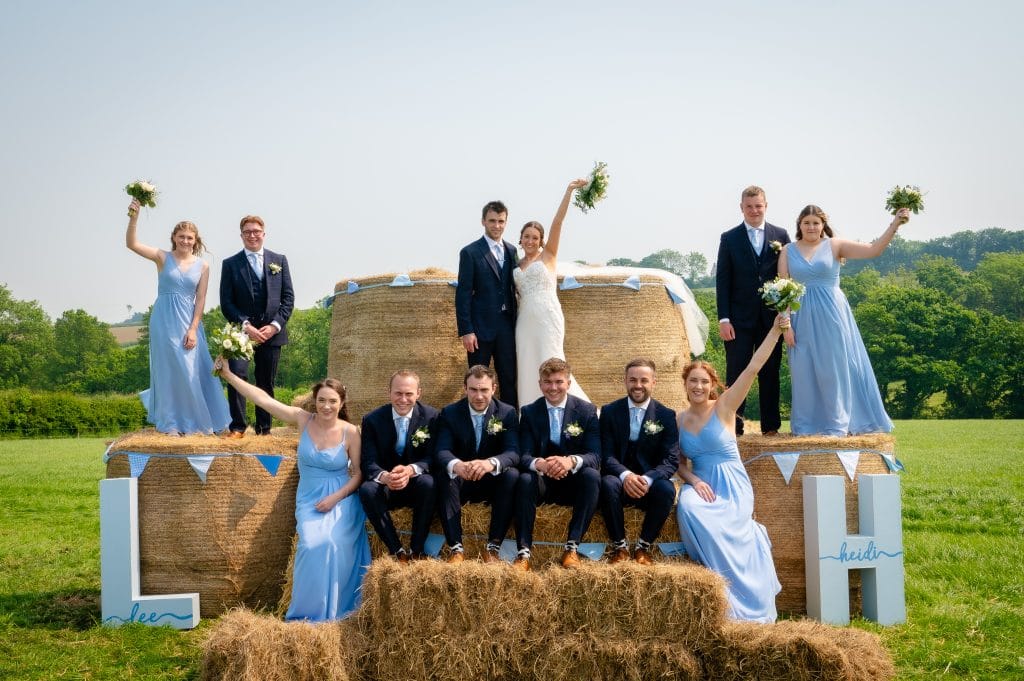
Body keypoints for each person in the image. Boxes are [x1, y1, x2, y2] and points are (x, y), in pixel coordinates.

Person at [214, 360, 370, 621]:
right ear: (314, 400)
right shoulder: (302, 419)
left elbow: (359, 473)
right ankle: (308, 614)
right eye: (322, 400)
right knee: (310, 544)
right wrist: (228, 375)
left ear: (342, 403)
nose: (326, 406)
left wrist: (336, 497)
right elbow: (263, 399)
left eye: (332, 401)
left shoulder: (351, 432)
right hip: (310, 497)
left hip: (341, 497)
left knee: (335, 542)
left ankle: (342, 611)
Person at [674, 317, 787, 622]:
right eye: (693, 381)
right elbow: (680, 463)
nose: (698, 386)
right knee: (688, 507)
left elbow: (752, 368)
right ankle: (720, 592)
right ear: (685, 384)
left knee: (729, 528)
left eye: (704, 381)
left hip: (732, 483)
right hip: (703, 483)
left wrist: (775, 329)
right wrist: (693, 480)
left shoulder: (724, 407)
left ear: (712, 385)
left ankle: (749, 601)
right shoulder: (679, 421)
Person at [777, 206, 910, 435]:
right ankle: (807, 426)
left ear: (822, 225)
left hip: (832, 315)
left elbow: (873, 250)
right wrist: (785, 323)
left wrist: (895, 223)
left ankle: (837, 423)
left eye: (816, 223)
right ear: (799, 224)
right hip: (801, 318)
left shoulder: (835, 245)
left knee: (833, 370)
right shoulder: (788, 250)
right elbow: (783, 290)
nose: (811, 227)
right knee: (803, 371)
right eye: (806, 222)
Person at [124, 199, 230, 435]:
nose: (185, 241)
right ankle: (171, 423)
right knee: (168, 371)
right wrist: (134, 216)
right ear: (174, 237)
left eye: (189, 238)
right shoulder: (162, 257)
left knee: (192, 370)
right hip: (163, 320)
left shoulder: (203, 266)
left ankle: (201, 423)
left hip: (188, 321)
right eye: (181, 236)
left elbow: (200, 299)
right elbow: (132, 244)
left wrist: (193, 329)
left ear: (196, 240)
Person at [715, 186, 791, 435]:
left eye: (758, 206)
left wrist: (785, 313)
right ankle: (733, 427)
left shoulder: (781, 234)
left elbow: (787, 277)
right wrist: (724, 318)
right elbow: (723, 281)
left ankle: (771, 428)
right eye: (749, 206)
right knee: (736, 374)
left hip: (771, 319)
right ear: (741, 208)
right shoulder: (729, 238)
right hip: (738, 320)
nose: (754, 210)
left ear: (766, 206)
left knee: (770, 372)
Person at [514, 357, 601, 570]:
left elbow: (595, 455)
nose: (553, 387)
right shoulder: (529, 412)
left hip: (573, 483)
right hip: (542, 483)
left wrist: (570, 461)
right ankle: (523, 553)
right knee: (524, 478)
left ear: (568, 384)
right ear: (540, 384)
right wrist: (541, 464)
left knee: (592, 476)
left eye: (559, 382)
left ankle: (572, 548)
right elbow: (523, 455)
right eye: (548, 382)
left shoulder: (587, 411)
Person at [513, 179, 591, 405]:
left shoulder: (548, 257)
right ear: (520, 239)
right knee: (527, 365)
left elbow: (557, 222)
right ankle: (528, 411)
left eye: (535, 237)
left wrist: (569, 191)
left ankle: (573, 409)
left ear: (541, 241)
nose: (530, 241)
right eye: (526, 236)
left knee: (552, 360)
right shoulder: (515, 265)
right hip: (524, 321)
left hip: (548, 318)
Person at [434, 365, 520, 563]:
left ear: (494, 388)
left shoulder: (507, 413)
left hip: (492, 483)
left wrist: (491, 463)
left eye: (484, 390)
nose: (479, 396)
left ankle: (493, 548)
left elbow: (514, 452)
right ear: (465, 388)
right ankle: (456, 549)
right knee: (444, 474)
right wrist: (457, 465)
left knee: (512, 475)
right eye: (473, 390)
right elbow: (441, 450)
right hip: (462, 482)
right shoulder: (450, 413)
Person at [599, 359, 680, 564]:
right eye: (633, 379)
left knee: (667, 490)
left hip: (648, 483)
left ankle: (643, 547)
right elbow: (605, 455)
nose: (638, 385)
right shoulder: (609, 412)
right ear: (625, 381)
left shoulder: (666, 415)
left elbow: (671, 460)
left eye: (644, 380)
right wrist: (626, 476)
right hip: (619, 480)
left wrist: (647, 479)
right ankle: (620, 548)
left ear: (654, 382)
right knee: (607, 484)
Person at [220, 215, 294, 437]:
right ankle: (238, 427)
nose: (252, 235)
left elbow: (288, 299)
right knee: (237, 376)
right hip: (240, 335)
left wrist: (274, 326)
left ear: (263, 233)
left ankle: (265, 429)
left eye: (256, 231)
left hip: (271, 334)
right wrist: (245, 326)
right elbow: (226, 302)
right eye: (247, 232)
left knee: (265, 381)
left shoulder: (279, 260)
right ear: (241, 235)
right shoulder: (230, 264)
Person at [358, 370, 439, 562]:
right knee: (367, 490)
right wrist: (385, 476)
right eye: (398, 393)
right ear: (389, 393)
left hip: (416, 485)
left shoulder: (433, 417)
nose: (403, 399)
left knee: (430, 483)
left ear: (419, 393)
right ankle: (398, 552)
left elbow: (435, 457)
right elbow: (367, 460)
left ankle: (416, 550)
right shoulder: (372, 420)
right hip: (387, 486)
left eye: (409, 394)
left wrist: (411, 470)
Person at [456, 201, 519, 407]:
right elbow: (463, 293)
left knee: (509, 379)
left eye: (501, 221)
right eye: (492, 221)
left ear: (506, 222)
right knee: (477, 380)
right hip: (479, 329)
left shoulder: (511, 251)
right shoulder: (470, 252)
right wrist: (466, 330)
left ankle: (510, 424)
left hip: (507, 327)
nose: (497, 226)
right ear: (483, 221)